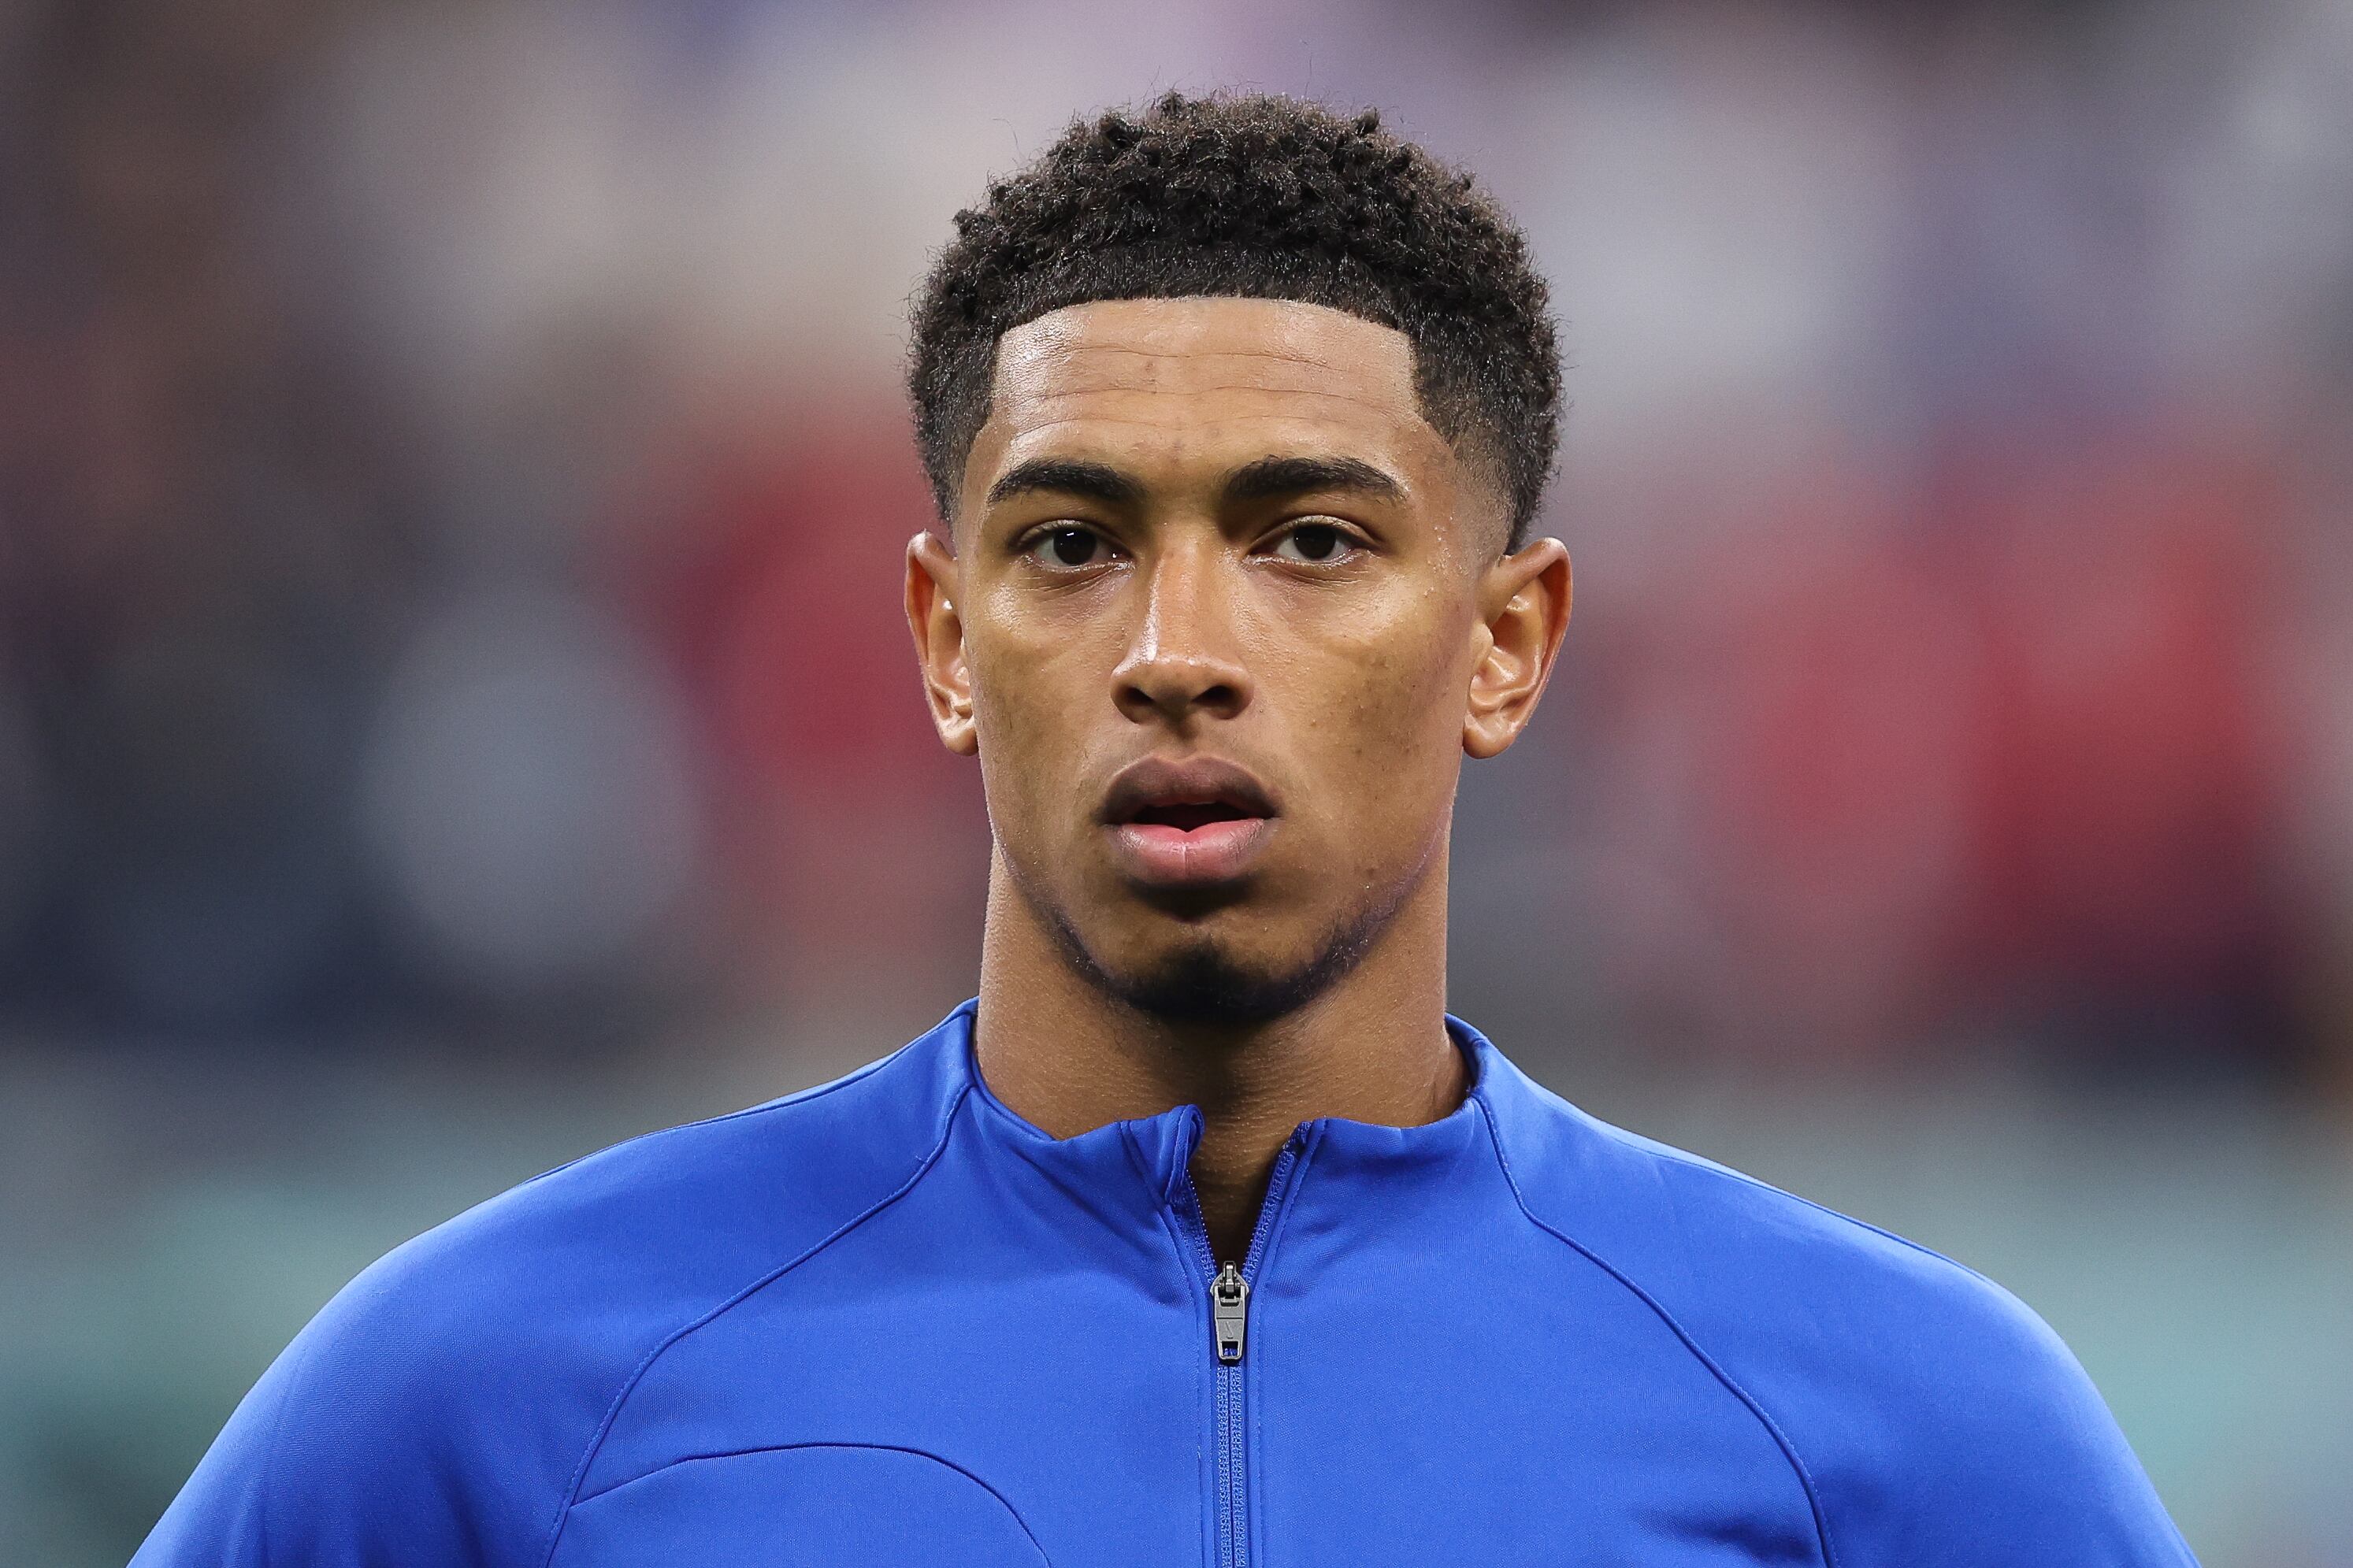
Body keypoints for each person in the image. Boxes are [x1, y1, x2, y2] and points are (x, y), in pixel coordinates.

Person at [135, 91, 2195, 1566]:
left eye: (1307, 540)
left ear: (1506, 642)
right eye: (1068, 543)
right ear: (945, 640)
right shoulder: (490, 1395)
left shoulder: (1901, 1434)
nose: (1176, 652)